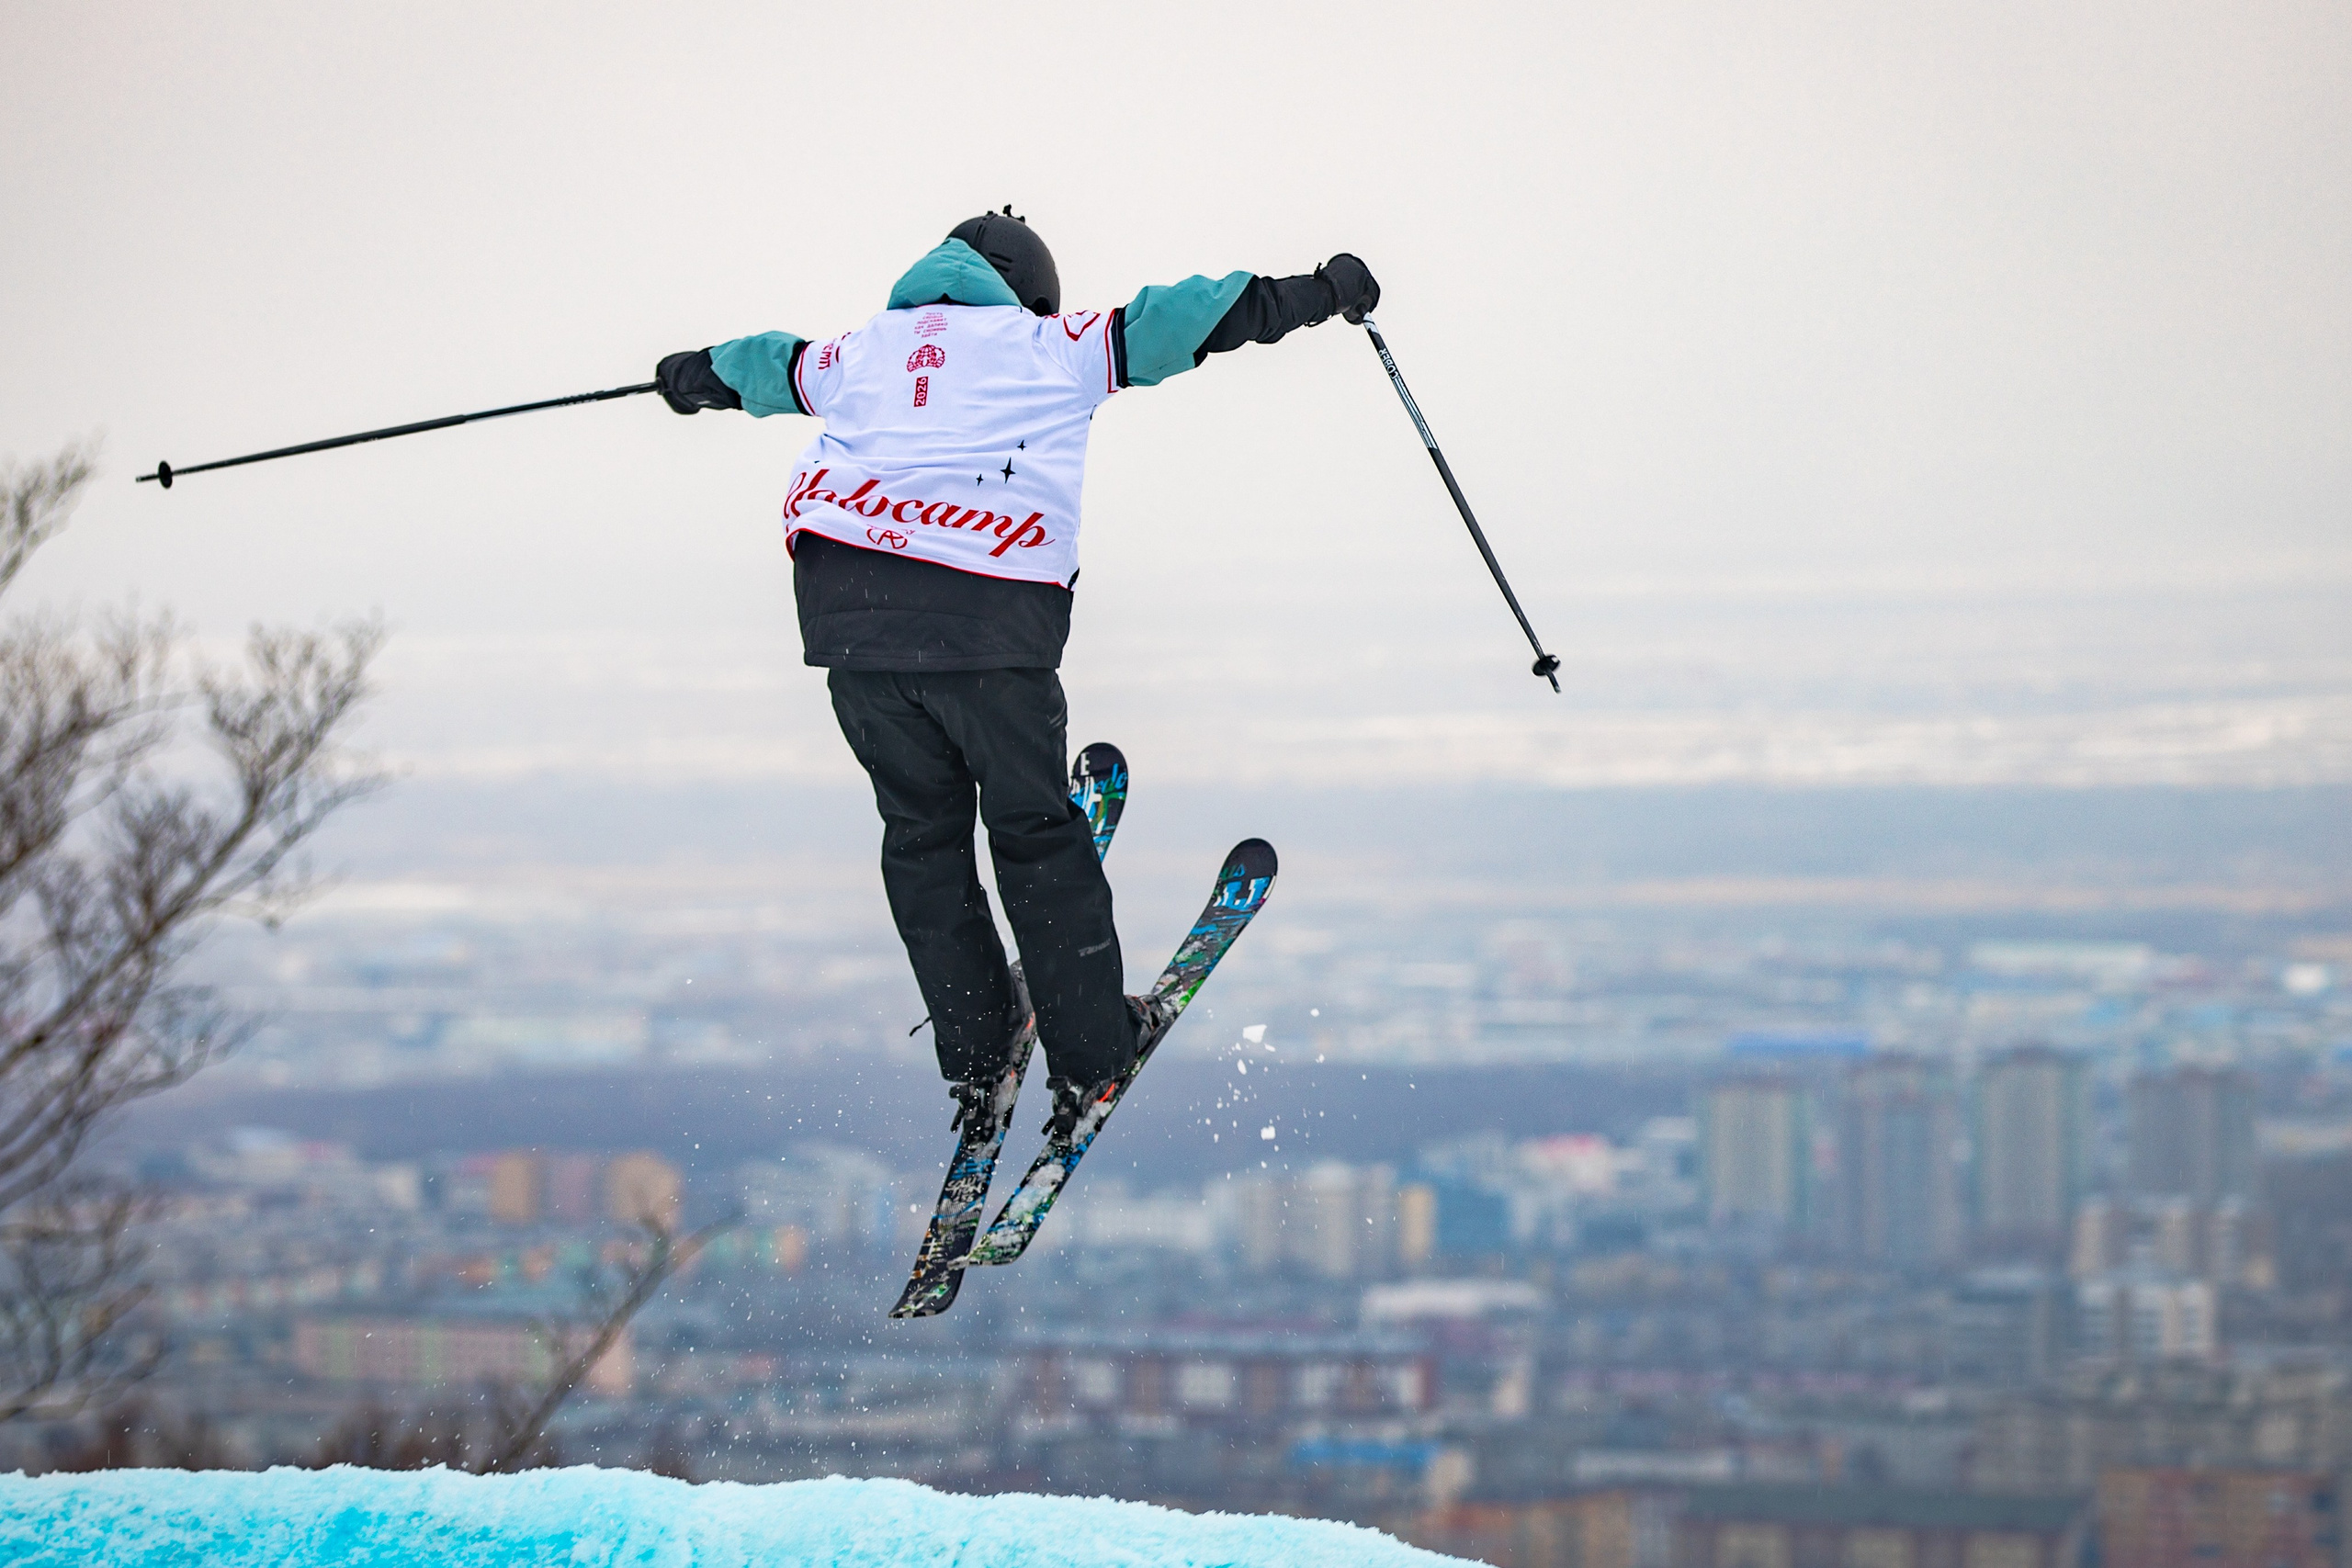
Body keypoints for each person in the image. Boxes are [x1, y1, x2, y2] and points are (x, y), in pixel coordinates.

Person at [655, 209, 1376, 1142]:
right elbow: (1192, 317)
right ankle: (1093, 1055)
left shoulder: (856, 355)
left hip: (853, 635)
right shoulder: (1052, 347)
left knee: (921, 840)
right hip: (986, 633)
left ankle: (979, 1053)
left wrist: (684, 380)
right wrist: (1326, 292)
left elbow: (753, 363)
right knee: (1035, 837)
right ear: (1030, 290)